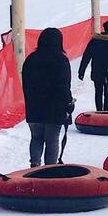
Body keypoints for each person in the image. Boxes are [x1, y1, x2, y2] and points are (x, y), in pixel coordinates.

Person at [22, 28, 74, 168]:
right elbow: (63, 85)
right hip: (55, 106)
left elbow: (25, 83)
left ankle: (35, 164)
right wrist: (69, 102)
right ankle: (50, 169)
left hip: (34, 106)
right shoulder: (61, 60)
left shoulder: (31, 59)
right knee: (52, 140)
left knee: (36, 137)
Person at [79, 20, 108, 111]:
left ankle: (99, 110)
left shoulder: (95, 41)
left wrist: (81, 70)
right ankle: (107, 110)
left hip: (97, 71)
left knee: (98, 91)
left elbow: (86, 56)